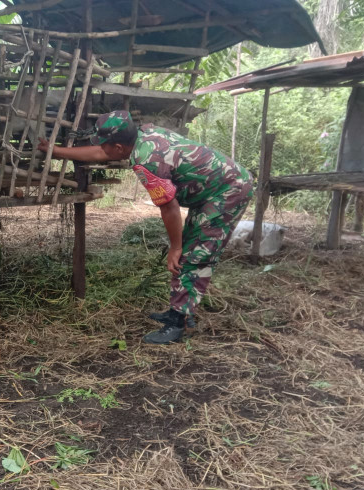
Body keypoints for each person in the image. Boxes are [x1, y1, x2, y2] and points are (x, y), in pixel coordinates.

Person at [38, 111, 253, 344]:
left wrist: (175, 247)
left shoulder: (148, 161)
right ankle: (180, 310)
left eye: (106, 145)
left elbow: (169, 208)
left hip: (228, 190)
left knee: (196, 254)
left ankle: (178, 324)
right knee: (191, 248)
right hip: (210, 191)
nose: (102, 149)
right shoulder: (142, 135)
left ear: (119, 147)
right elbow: (101, 152)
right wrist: (56, 150)